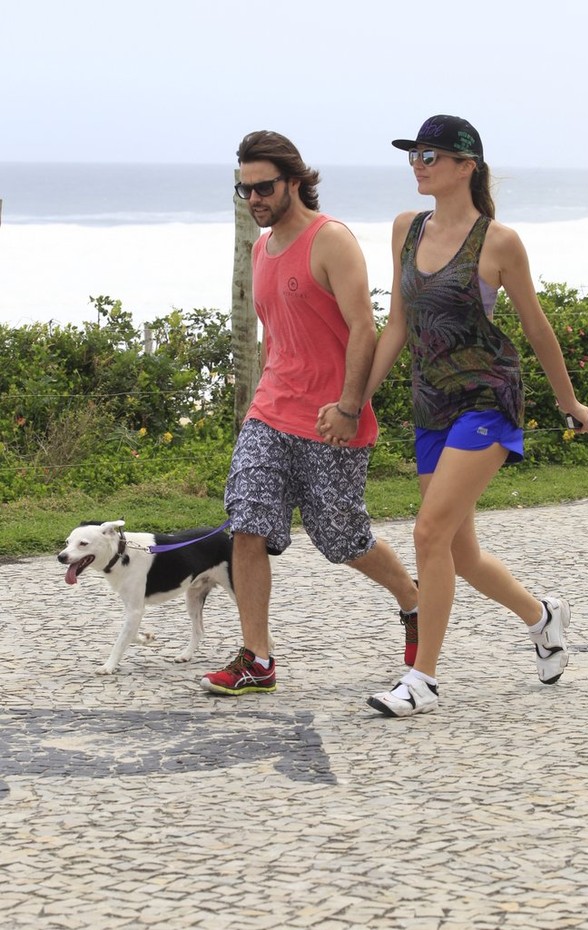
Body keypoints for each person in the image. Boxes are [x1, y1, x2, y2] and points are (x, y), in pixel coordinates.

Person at [320, 114, 588, 718]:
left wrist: (569, 403)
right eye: (414, 156)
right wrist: (354, 401)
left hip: (487, 400)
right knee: (459, 553)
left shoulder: (498, 242)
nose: (419, 165)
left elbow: (536, 328)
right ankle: (543, 617)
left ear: (466, 166)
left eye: (431, 157)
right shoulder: (405, 230)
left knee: (427, 533)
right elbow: (397, 325)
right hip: (431, 403)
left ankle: (421, 680)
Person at [200, 130, 419, 696]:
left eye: (264, 187)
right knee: (246, 521)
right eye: (244, 189)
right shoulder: (259, 248)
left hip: (332, 418)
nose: (254, 199)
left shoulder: (332, 241)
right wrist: (259, 400)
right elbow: (275, 332)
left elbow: (363, 329)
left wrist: (350, 406)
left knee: (342, 537)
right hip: (270, 414)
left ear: (295, 182)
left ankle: (413, 599)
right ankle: (258, 658)